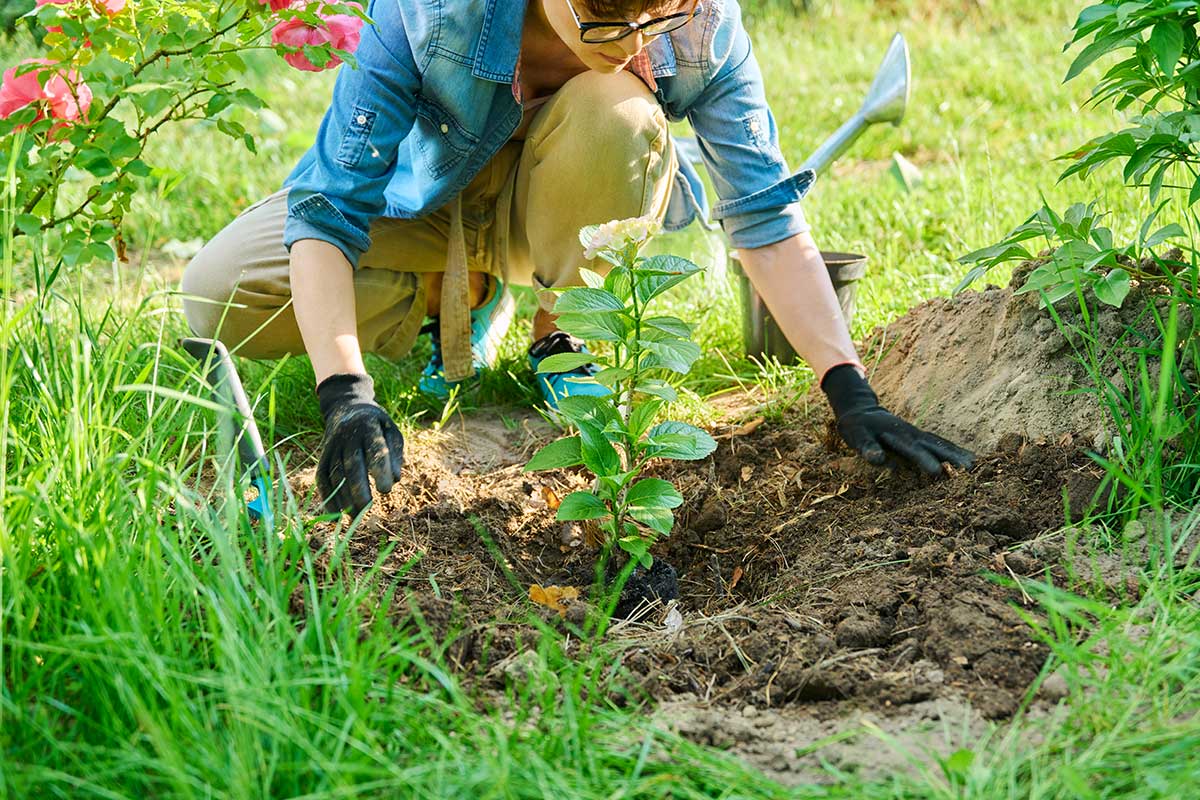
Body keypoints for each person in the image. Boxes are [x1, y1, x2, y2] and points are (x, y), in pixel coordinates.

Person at [182, 0, 974, 517]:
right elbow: (331, 205)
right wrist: (346, 396)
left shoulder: (701, 28)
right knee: (214, 295)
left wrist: (849, 388)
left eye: (656, 14)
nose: (634, 40)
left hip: (564, 202)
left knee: (621, 112)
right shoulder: (436, 12)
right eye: (602, 14)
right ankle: (451, 296)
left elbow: (763, 214)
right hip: (424, 200)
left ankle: (563, 330)